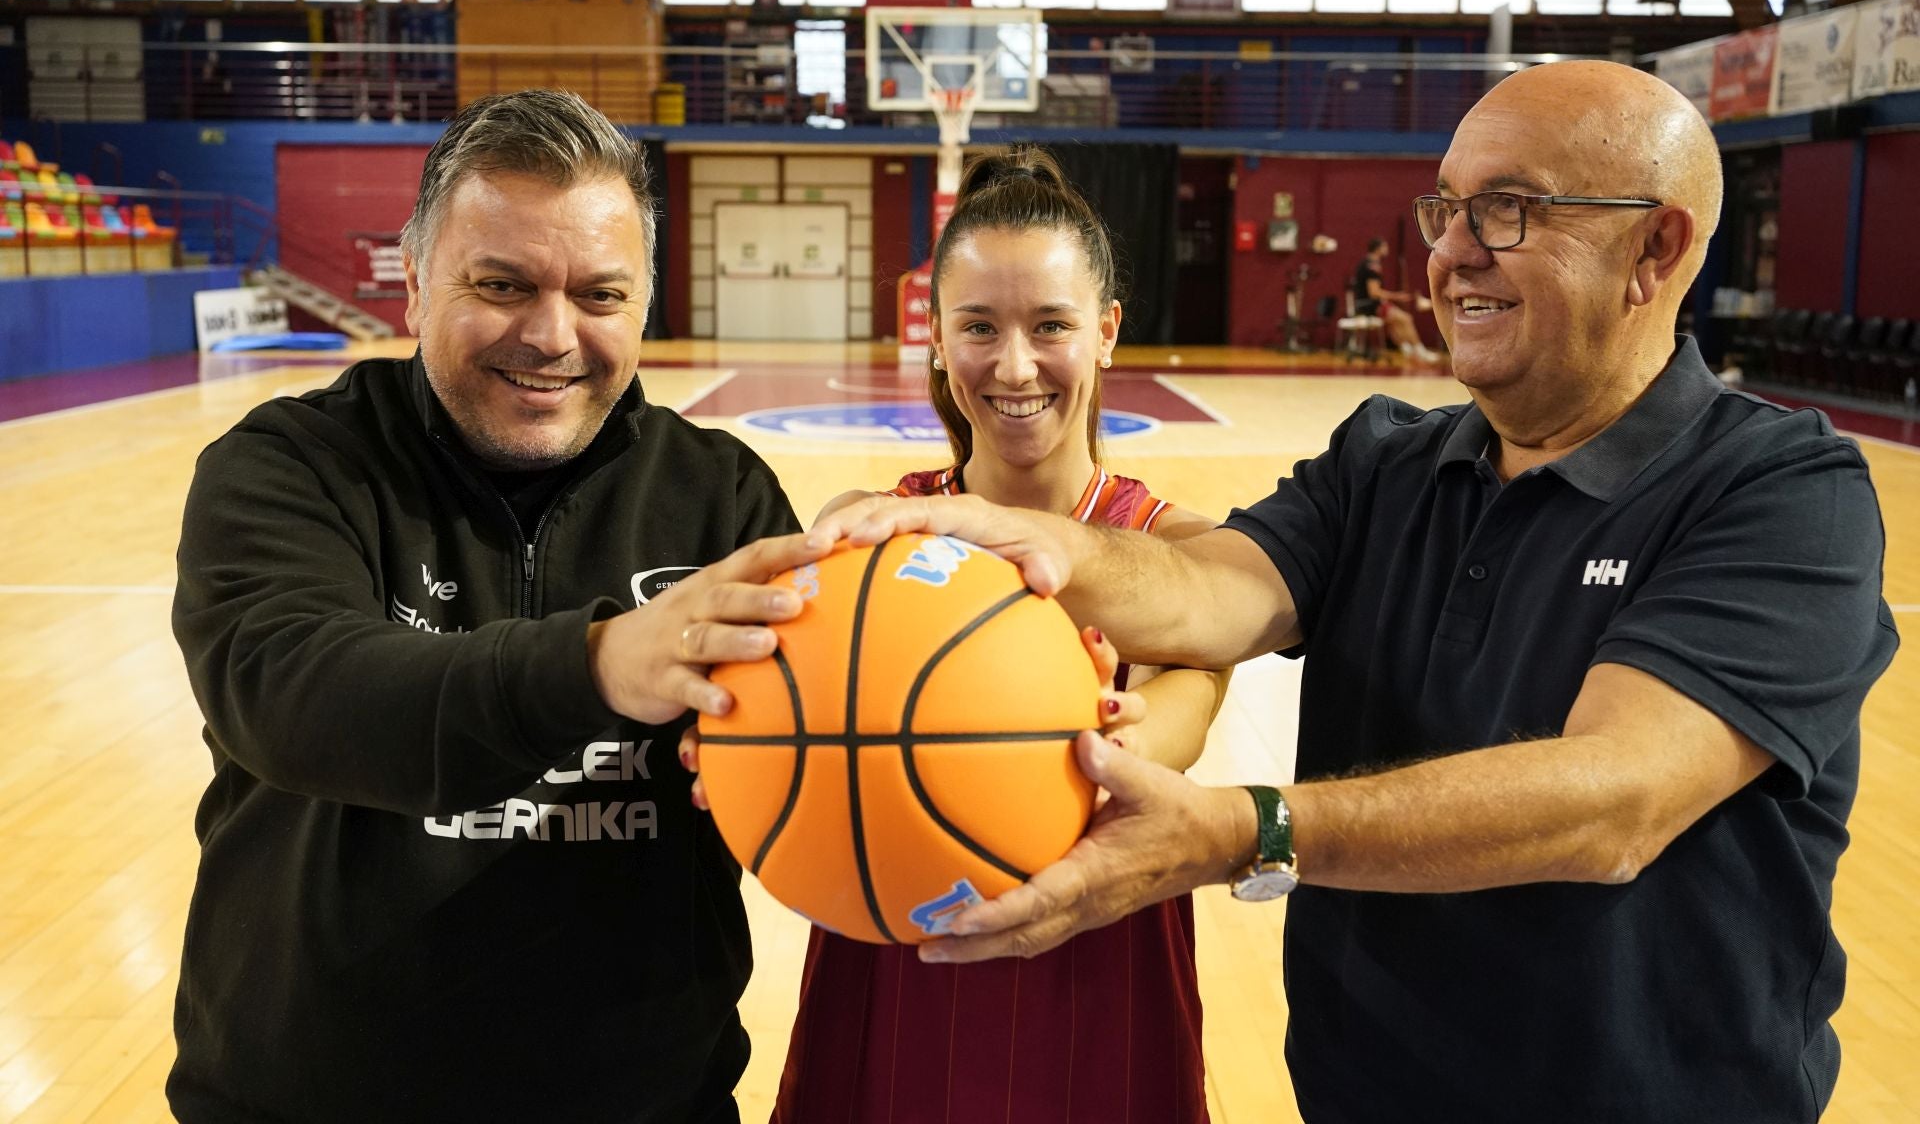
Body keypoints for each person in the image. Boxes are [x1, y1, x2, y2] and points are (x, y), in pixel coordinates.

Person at [815, 61, 1898, 1122]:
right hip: (1361, 1089)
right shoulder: (1384, 463)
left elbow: (1616, 795)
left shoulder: (1782, 490)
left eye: (1509, 210)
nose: (1454, 251)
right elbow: (1205, 590)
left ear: (1655, 247)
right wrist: (1005, 536)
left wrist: (1251, 830)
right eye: (1447, 209)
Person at [169, 90, 826, 1123]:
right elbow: (294, 692)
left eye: (600, 294)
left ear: (646, 298)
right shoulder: (290, 466)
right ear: (417, 279)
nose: (551, 334)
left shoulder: (722, 499)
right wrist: (603, 662)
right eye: (503, 283)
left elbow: (818, 769)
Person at [688, 147, 1230, 1121]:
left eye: (1051, 325)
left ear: (1106, 332)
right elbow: (760, 675)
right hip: (899, 930)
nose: (1014, 364)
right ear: (935, 336)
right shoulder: (868, 528)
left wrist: (1095, 738)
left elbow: (1182, 712)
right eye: (978, 326)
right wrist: (741, 728)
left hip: (1096, 941)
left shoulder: (1174, 548)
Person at [1351, 235, 1439, 362]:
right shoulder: (1372, 266)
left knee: (1394, 324)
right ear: (1377, 249)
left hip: (1363, 304)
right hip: (1370, 305)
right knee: (1406, 319)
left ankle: (1407, 350)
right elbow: (1374, 292)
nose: (1387, 248)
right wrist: (1397, 296)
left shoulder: (1367, 263)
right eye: (1384, 246)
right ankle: (1421, 352)